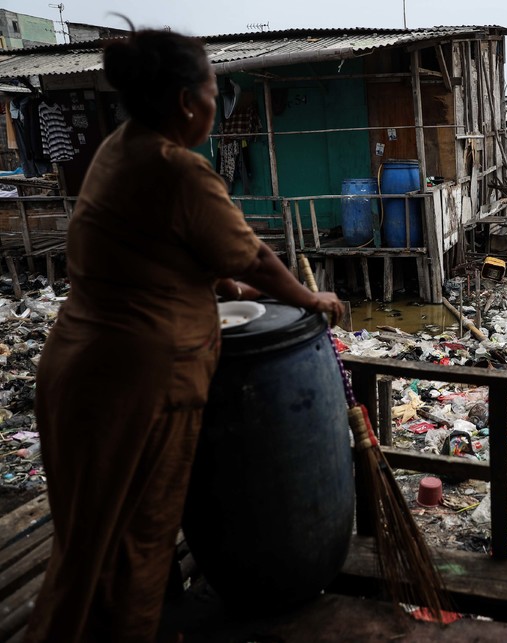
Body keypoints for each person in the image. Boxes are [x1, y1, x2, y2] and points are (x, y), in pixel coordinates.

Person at [25, 25, 343, 643]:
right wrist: (312, 298)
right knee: (136, 548)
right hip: (137, 386)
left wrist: (223, 288)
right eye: (215, 90)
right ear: (186, 102)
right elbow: (255, 258)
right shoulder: (179, 171)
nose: (217, 104)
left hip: (78, 370)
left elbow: (154, 247)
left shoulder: (121, 149)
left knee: (89, 546)